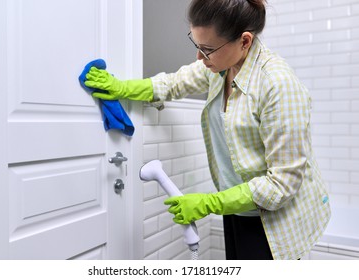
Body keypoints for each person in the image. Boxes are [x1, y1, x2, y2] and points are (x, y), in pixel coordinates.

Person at [84, 0, 331, 260]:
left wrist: (209, 203)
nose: (199, 58)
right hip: (235, 206)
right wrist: (122, 88)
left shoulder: (278, 85)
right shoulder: (222, 67)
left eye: (208, 49)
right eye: (197, 45)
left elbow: (283, 182)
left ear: (245, 41)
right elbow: (175, 82)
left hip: (274, 222)